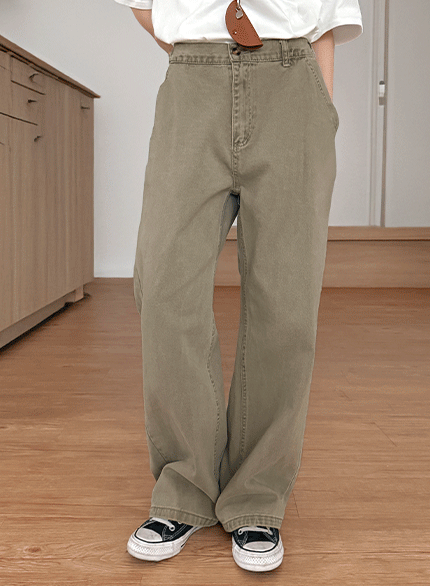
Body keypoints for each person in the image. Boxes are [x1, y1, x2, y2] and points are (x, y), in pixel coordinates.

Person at [114, 0, 363, 573]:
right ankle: (185, 486)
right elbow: (143, 6)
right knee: (165, 291)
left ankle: (257, 497)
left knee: (287, 302)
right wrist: (200, 49)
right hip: (192, 87)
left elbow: (326, 21)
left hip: (293, 86)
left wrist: (321, 112)